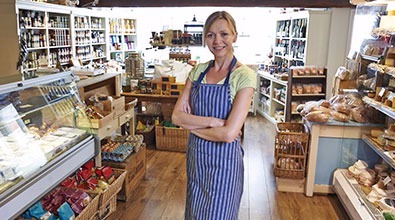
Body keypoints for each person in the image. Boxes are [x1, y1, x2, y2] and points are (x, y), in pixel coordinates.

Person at [171, 11, 257, 219]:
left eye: (224, 34)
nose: (217, 41)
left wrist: (193, 126)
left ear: (235, 35)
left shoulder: (244, 75)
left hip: (224, 166)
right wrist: (212, 122)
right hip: (196, 161)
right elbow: (176, 118)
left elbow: (228, 134)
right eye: (210, 35)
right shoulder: (197, 71)